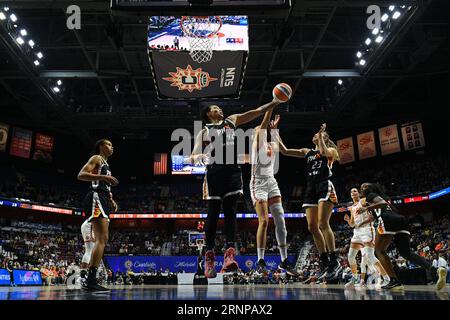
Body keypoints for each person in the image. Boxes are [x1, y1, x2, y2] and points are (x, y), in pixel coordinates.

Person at [191, 98, 283, 278]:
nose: (220, 109)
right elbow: (193, 155)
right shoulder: (204, 131)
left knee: (230, 212)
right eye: (216, 108)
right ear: (209, 113)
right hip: (214, 173)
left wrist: (272, 103)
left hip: (233, 172)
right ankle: (209, 256)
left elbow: (255, 112)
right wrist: (199, 156)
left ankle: (229, 255)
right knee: (213, 213)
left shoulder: (231, 120)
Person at [273, 117, 341, 282]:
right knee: (312, 227)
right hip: (311, 188)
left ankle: (334, 261)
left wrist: (322, 138)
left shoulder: (330, 151)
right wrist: (274, 131)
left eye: (319, 135)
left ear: (324, 138)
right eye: (316, 134)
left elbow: (323, 153)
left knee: (323, 223)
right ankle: (325, 262)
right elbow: (284, 150)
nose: (315, 135)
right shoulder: (307, 151)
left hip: (325, 185)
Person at [359, 182, 447, 290]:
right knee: (406, 253)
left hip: (387, 219)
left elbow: (382, 203)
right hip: (401, 220)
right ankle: (434, 269)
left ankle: (394, 281)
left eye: (364, 187)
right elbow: (380, 210)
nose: (362, 189)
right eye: (361, 187)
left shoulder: (371, 195)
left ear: (369, 189)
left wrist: (366, 208)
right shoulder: (378, 198)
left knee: (379, 251)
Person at [250, 112, 298, 276]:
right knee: (263, 221)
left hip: (271, 181)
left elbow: (282, 149)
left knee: (280, 220)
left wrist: (276, 129)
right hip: (258, 183)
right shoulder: (256, 144)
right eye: (258, 130)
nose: (260, 131)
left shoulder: (270, 145)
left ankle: (284, 261)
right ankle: (260, 260)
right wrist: (271, 106)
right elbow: (262, 127)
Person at [78, 139, 118, 292]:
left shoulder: (106, 164)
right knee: (101, 239)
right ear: (101, 146)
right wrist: (103, 178)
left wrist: (111, 199)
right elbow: (81, 175)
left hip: (103, 198)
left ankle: (91, 279)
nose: (112, 147)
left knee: (103, 239)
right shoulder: (97, 158)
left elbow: (104, 185)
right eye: (109, 144)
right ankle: (90, 280)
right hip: (95, 197)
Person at [344, 188, 389, 289]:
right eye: (351, 191)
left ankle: (386, 278)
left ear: (358, 193)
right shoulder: (352, 207)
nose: (353, 192)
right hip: (357, 232)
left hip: (367, 230)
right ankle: (355, 277)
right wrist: (348, 221)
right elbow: (352, 224)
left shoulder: (363, 201)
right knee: (351, 256)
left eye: (355, 191)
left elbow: (372, 216)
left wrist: (366, 218)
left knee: (370, 256)